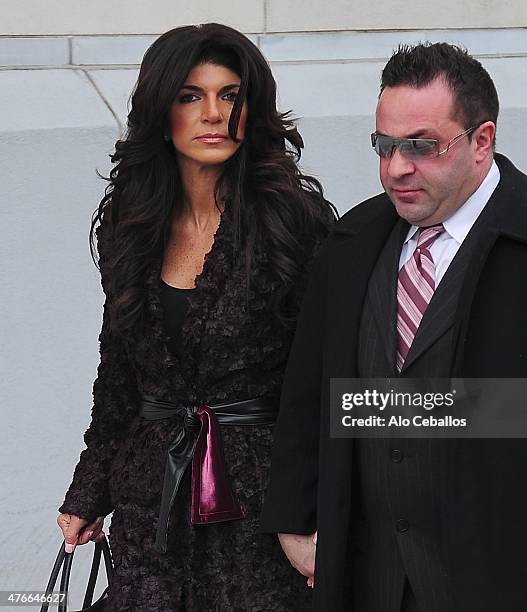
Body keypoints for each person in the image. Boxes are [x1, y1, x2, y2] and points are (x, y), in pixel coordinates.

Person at [261, 42, 527, 612]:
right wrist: (296, 518)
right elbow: (308, 391)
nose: (397, 168)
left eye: (422, 146)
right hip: (371, 581)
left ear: (482, 141)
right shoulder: (350, 243)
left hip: (520, 582)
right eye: (384, 147)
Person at [57, 23, 335, 611]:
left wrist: (313, 509)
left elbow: (322, 380)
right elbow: (120, 377)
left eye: (230, 94)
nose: (213, 113)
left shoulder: (293, 222)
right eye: (191, 95)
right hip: (150, 499)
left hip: (260, 503)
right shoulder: (131, 228)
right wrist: (88, 491)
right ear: (162, 112)